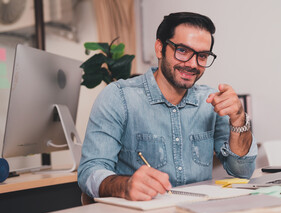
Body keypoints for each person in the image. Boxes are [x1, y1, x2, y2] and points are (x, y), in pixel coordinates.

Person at [78, 12, 258, 201]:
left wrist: (239, 119)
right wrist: (125, 185)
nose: (192, 64)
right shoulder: (119, 97)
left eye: (202, 56)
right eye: (182, 51)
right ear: (159, 48)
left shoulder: (210, 101)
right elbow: (89, 171)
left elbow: (242, 171)